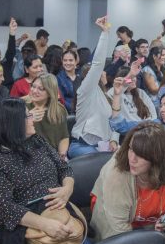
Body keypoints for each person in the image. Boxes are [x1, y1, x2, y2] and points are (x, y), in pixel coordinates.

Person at [0, 98, 88, 244]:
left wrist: (67, 188)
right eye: (27, 116)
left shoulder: (36, 141)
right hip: (13, 227)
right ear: (12, 124)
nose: (33, 119)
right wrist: (44, 224)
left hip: (53, 213)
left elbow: (64, 168)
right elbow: (5, 208)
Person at [90, 122, 165, 241]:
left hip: (151, 226)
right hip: (115, 222)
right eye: (131, 149)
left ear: (157, 158)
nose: (132, 159)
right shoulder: (116, 176)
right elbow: (120, 232)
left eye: (141, 155)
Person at [68, 17, 119, 158]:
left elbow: (115, 121)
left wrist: (114, 139)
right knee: (104, 160)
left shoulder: (104, 95)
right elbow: (97, 64)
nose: (104, 73)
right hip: (82, 146)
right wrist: (105, 34)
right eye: (99, 73)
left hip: (103, 145)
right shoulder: (86, 90)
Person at [28, 73, 69, 159]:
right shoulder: (21, 106)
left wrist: (62, 154)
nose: (34, 91)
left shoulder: (59, 110)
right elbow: (13, 136)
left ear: (50, 92)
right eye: (33, 86)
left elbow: (64, 137)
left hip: (53, 156)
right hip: (29, 156)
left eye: (41, 89)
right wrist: (28, 118)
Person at [57, 49, 82, 114]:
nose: (68, 63)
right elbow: (61, 100)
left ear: (76, 61)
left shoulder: (81, 76)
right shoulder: (58, 78)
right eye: (65, 60)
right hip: (68, 114)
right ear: (62, 61)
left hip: (83, 112)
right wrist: (75, 109)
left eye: (71, 60)